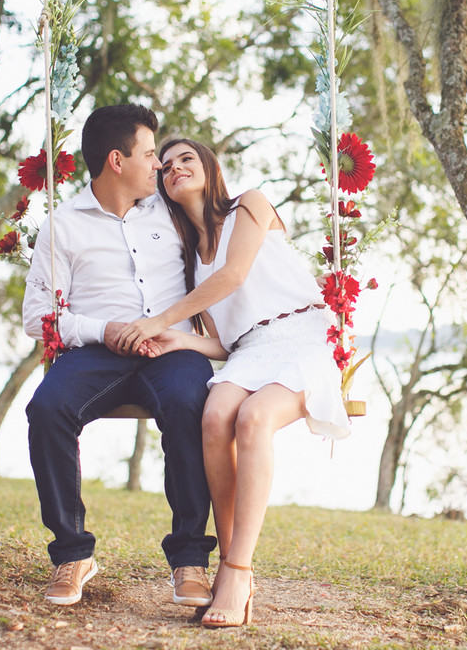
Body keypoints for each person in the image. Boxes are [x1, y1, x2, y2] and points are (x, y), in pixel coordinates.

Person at [114, 138, 351, 628]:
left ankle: (239, 571)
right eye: (167, 166)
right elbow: (222, 344)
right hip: (249, 352)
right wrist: (180, 341)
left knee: (253, 418)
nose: (176, 168)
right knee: (215, 414)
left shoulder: (251, 203)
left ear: (208, 167)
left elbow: (236, 275)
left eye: (187, 159)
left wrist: (160, 321)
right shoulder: (193, 258)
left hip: (303, 335)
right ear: (161, 186)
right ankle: (228, 562)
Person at [21, 105, 217, 609]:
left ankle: (191, 560)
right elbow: (37, 317)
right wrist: (102, 330)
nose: (158, 165)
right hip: (97, 353)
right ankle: (72, 553)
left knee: (190, 404)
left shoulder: (171, 211)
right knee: (46, 410)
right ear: (116, 160)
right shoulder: (62, 225)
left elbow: (227, 243)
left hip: (172, 349)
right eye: (150, 154)